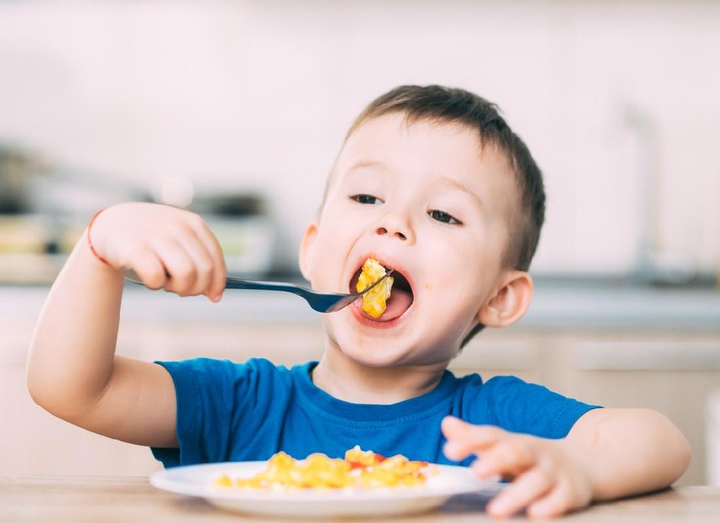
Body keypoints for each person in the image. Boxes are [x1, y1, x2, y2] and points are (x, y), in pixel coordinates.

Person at [27, 85, 690, 518]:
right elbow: (71, 387)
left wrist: (579, 464)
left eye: (441, 213)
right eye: (367, 197)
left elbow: (661, 440)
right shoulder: (243, 405)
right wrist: (98, 248)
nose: (393, 223)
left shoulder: (489, 422)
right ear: (313, 250)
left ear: (500, 297)